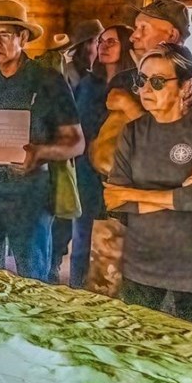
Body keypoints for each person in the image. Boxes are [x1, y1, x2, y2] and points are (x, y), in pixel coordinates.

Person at [0, 0, 84, 282]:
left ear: (23, 38)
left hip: (30, 191)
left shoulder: (48, 81)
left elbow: (76, 141)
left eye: (4, 35)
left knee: (32, 274)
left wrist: (41, 152)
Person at [103, 44, 192, 327]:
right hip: (142, 265)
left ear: (186, 87)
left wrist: (134, 194)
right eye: (141, 80)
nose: (146, 88)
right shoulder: (133, 131)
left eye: (158, 81)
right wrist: (178, 191)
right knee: (137, 349)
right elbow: (113, 201)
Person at [71, 25, 136, 291]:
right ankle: (75, 290)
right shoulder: (87, 84)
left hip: (119, 173)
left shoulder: (134, 86)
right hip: (86, 169)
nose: (104, 46)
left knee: (110, 242)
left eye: (112, 42)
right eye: (101, 42)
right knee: (81, 237)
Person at [124, 0, 192, 120]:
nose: (133, 36)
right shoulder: (123, 80)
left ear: (172, 35)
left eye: (144, 28)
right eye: (136, 28)